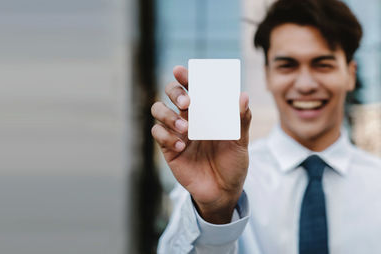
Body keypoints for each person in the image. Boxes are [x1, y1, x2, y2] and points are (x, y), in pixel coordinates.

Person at [151, 0, 381, 253]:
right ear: (268, 75)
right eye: (287, 65)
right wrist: (214, 213)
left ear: (350, 74)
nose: (305, 84)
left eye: (322, 64)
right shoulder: (215, 176)